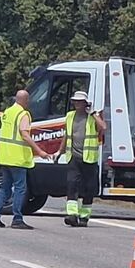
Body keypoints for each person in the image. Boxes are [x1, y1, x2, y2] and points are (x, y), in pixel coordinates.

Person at [0, 90, 51, 230]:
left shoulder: (7, 112)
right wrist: (39, 151)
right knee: (20, 189)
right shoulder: (23, 114)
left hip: (4, 156)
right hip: (17, 158)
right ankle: (17, 218)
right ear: (25, 100)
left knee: (5, 188)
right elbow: (25, 135)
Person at [56, 91, 106, 228]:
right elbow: (67, 135)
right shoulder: (69, 116)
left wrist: (94, 114)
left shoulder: (92, 117)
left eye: (80, 101)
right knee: (72, 185)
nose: (77, 103)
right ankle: (72, 215)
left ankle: (84, 216)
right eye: (75, 101)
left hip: (89, 158)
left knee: (89, 188)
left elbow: (103, 127)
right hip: (73, 157)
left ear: (85, 103)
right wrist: (59, 152)